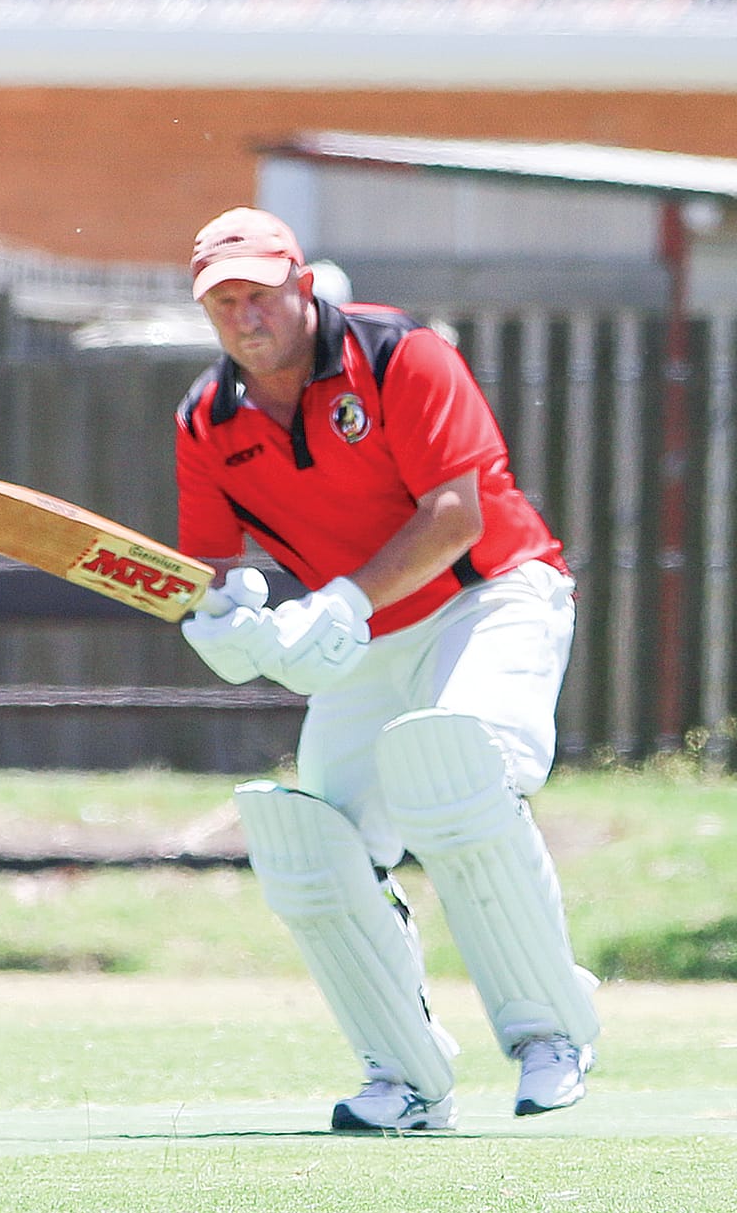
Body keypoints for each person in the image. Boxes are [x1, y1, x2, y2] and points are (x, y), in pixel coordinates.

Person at [175, 206, 598, 1132]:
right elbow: (212, 572)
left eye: (260, 294)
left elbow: (458, 514)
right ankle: (404, 1075)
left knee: (454, 772)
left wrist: (339, 604)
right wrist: (225, 628)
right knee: (312, 843)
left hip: (490, 592)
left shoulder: (400, 354)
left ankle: (550, 1036)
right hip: (368, 633)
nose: (246, 318)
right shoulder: (208, 420)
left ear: (303, 283)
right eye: (225, 303)